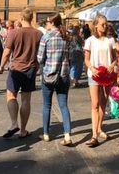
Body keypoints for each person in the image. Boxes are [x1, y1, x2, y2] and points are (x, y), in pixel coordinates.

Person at [0, 8, 43, 139]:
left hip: (15, 68)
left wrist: (1, 66)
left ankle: (14, 123)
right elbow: (41, 54)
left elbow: (6, 52)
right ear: (32, 18)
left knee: (11, 95)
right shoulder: (39, 34)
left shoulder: (14, 33)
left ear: (22, 18)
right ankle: (23, 130)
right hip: (31, 69)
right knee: (26, 100)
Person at [84, 15, 119, 148]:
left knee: (103, 102)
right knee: (95, 103)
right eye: (102, 24)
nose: (105, 26)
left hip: (107, 74)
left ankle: (99, 127)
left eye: (106, 24)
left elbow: (116, 57)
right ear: (95, 25)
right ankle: (94, 135)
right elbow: (86, 59)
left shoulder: (110, 40)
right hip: (94, 74)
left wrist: (112, 64)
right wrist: (92, 68)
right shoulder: (90, 40)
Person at [37, 13, 72, 145]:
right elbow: (71, 56)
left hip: (49, 75)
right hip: (63, 74)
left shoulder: (46, 37)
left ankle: (46, 134)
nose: (46, 24)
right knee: (63, 105)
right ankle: (67, 135)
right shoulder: (66, 37)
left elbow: (40, 58)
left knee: (47, 105)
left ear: (52, 23)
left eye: (47, 22)